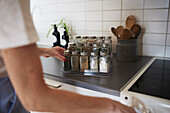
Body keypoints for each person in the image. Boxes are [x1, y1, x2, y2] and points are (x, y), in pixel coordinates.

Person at [0, 0, 136, 113]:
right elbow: (34, 98)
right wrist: (110, 106)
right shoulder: (12, 3)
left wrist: (45, 51)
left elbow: (6, 48)